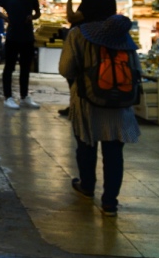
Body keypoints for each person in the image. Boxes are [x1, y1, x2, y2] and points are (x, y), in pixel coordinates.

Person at [59, 14, 141, 217]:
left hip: (87, 102)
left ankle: (87, 186)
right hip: (119, 107)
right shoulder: (126, 41)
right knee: (114, 155)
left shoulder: (78, 35)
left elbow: (65, 69)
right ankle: (110, 203)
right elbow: (137, 71)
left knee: (86, 145)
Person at [59, 0, 118, 118]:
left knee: (74, 73)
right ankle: (78, 105)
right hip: (95, 41)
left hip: (87, 43)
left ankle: (78, 106)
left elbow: (71, 18)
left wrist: (69, 0)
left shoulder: (91, 0)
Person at [0, 0, 41, 110]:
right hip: (13, 36)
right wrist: (5, 17)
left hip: (27, 36)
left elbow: (38, 13)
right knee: (9, 67)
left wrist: (32, 17)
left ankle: (24, 96)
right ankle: (8, 97)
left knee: (25, 68)